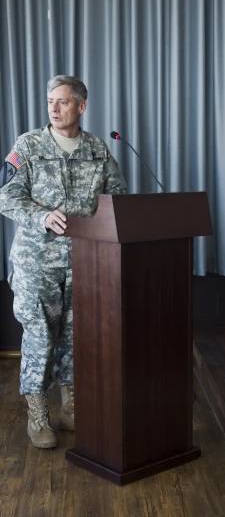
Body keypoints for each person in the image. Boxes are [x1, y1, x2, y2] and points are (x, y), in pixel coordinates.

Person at [0, 75, 127, 449]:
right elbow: (6, 197)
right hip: (36, 262)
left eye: (63, 102)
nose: (54, 109)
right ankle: (38, 415)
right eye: (50, 101)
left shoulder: (98, 150)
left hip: (86, 263)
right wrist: (41, 216)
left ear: (81, 107)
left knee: (77, 337)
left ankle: (72, 406)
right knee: (40, 336)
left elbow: (117, 199)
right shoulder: (28, 146)